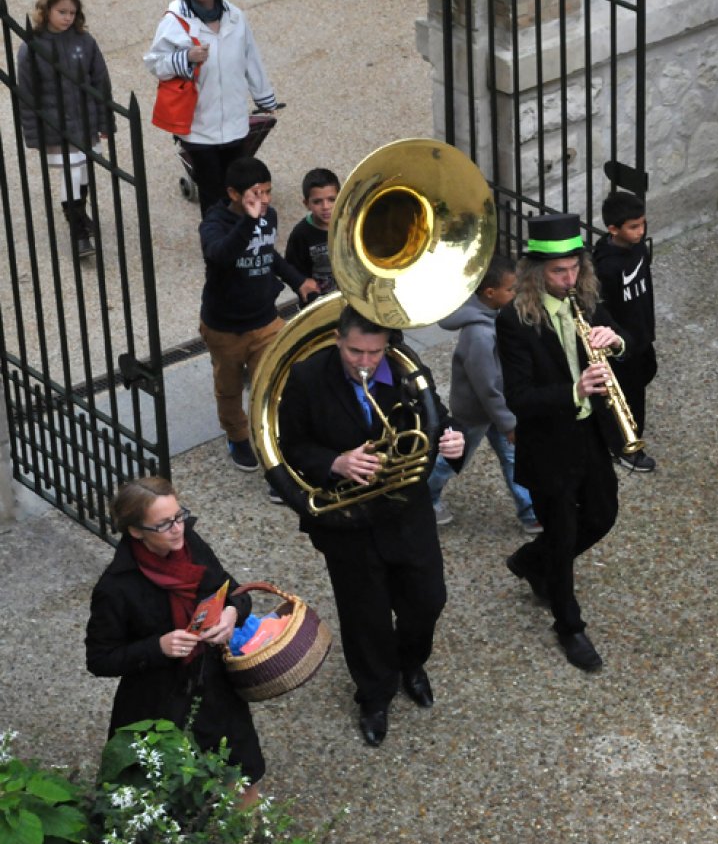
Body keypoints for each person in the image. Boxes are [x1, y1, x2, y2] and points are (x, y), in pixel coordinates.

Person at [276, 306, 465, 746]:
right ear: (338, 341)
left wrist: (453, 438)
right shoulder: (306, 378)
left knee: (428, 601)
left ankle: (410, 663)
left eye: (374, 353)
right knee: (364, 617)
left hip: (405, 514)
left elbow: (437, 418)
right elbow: (291, 448)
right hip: (347, 522)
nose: (364, 362)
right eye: (355, 352)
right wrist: (335, 462)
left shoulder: (406, 370)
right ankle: (374, 695)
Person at [497, 213, 629, 672]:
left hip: (589, 434)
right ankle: (569, 626)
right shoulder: (514, 320)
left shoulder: (585, 301)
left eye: (574, 268)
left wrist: (616, 341)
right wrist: (574, 391)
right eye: (558, 271)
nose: (568, 279)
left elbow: (627, 340)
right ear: (536, 273)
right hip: (548, 442)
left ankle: (533, 561)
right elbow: (518, 398)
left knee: (602, 515)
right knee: (562, 533)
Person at [85, 476, 265, 798]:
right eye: (164, 524)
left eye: (179, 516)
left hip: (214, 684)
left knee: (242, 774)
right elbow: (99, 659)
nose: (178, 529)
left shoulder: (191, 545)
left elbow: (233, 591)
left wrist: (231, 614)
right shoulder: (116, 588)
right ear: (136, 531)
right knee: (164, 793)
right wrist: (157, 647)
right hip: (159, 702)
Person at [199, 157, 318, 472]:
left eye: (267, 191)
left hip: (265, 320)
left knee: (277, 378)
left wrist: (298, 280)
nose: (264, 200)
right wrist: (249, 223)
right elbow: (221, 255)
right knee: (229, 387)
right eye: (256, 193)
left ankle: (277, 431)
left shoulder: (269, 216)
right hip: (225, 328)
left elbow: (269, 254)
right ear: (234, 194)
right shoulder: (213, 224)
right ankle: (237, 435)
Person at [144, 0, 277, 216]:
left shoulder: (235, 16)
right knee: (212, 192)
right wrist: (185, 58)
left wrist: (264, 97)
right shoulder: (174, 21)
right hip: (199, 126)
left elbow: (251, 58)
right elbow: (154, 63)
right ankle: (215, 236)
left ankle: (240, 231)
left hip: (234, 122)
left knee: (238, 187)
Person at [427, 254, 538, 533]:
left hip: (496, 410)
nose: (516, 293)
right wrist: (508, 423)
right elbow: (487, 386)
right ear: (490, 293)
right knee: (452, 460)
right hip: (476, 413)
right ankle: (424, 498)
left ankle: (530, 512)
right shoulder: (479, 334)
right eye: (511, 289)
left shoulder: (493, 316)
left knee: (514, 459)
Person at [16, 0, 114, 259]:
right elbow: (27, 95)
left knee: (84, 171)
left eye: (72, 12)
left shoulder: (85, 41)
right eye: (62, 12)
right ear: (46, 10)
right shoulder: (32, 48)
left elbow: (100, 82)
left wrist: (105, 122)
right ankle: (78, 232)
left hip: (86, 121)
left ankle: (79, 212)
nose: (68, 18)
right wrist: (33, 135)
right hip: (56, 126)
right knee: (71, 173)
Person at [591, 190, 657, 473]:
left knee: (645, 375)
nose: (641, 231)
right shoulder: (606, 266)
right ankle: (624, 446)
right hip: (622, 342)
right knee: (628, 395)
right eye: (633, 226)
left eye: (642, 224)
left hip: (641, 335)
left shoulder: (639, 249)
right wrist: (617, 342)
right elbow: (602, 309)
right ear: (613, 229)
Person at [284, 168, 340, 303]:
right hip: (319, 302)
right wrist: (302, 283)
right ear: (306, 204)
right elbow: (291, 270)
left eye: (331, 199)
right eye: (317, 202)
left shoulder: (350, 224)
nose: (326, 206)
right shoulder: (301, 233)